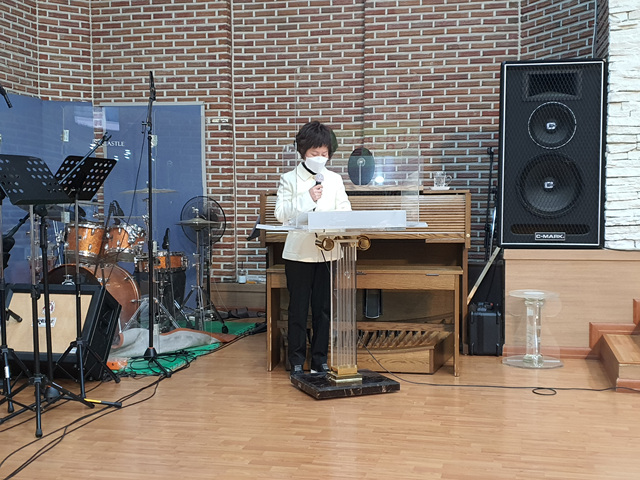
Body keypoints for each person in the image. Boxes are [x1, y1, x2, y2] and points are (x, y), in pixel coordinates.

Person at [275, 121, 351, 376]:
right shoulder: (289, 179)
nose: (320, 158)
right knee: (298, 308)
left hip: (328, 251)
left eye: (324, 153)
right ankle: (296, 360)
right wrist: (307, 197)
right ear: (302, 151)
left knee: (323, 309)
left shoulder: (335, 179)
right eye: (314, 153)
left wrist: (336, 222)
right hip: (299, 252)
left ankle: (320, 359)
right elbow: (280, 214)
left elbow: (345, 210)